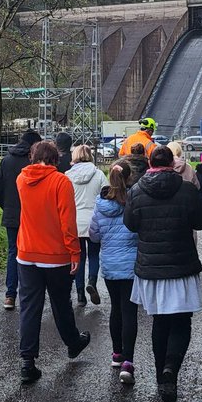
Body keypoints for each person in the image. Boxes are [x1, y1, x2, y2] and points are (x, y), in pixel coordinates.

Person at [123, 145, 202, 402]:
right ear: (172, 163)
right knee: (182, 322)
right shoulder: (186, 189)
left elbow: (130, 224)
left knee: (159, 322)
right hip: (181, 265)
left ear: (150, 163)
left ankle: (162, 376)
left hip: (151, 268)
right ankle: (171, 369)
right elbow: (201, 221)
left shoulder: (137, 190)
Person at [15, 139, 91, 383]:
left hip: (26, 253)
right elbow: (67, 222)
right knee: (60, 302)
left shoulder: (21, 179)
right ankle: (72, 342)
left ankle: (28, 361)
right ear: (55, 159)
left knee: (29, 306)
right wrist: (74, 252)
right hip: (56, 255)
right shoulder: (60, 181)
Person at [89, 160, 138, 384]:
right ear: (129, 178)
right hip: (130, 264)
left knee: (115, 308)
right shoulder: (134, 202)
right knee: (129, 311)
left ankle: (116, 353)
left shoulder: (100, 205)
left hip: (109, 264)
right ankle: (128, 361)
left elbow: (94, 236)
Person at [0, 128, 41, 310]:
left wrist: (8, 207)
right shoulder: (35, 163)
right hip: (34, 216)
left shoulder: (6, 161)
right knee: (34, 253)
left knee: (13, 252)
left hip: (12, 216)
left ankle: (10, 295)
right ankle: (31, 295)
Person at [66, 144, 108, 306]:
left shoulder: (67, 176)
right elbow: (106, 194)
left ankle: (80, 294)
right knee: (94, 254)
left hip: (74, 221)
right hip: (94, 220)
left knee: (79, 257)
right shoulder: (98, 175)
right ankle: (92, 281)